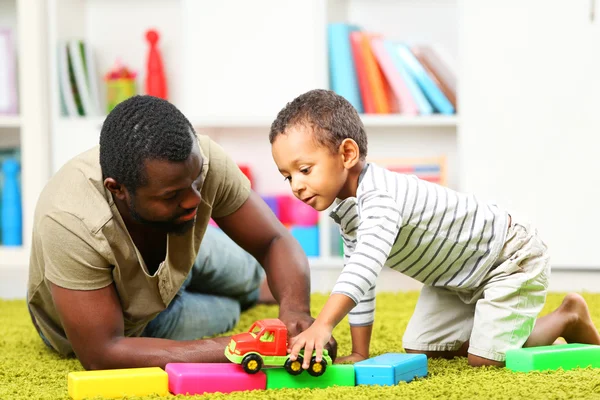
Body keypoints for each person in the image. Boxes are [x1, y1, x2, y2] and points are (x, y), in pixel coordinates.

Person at [269, 89, 600, 368]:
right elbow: (363, 283)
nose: (296, 186)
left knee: (485, 360)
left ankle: (566, 316)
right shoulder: (348, 211)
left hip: (507, 257)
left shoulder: (380, 197)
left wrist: (324, 324)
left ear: (347, 154)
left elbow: (363, 268)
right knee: (422, 349)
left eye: (305, 169)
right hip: (453, 279)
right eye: (288, 176)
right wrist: (360, 351)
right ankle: (490, 321)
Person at [27, 95, 336, 370]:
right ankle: (248, 296)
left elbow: (273, 240)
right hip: (130, 325)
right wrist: (249, 345)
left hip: (178, 246)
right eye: (171, 195)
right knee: (228, 312)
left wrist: (295, 312)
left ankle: (254, 289)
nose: (194, 201)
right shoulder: (69, 220)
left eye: (197, 181)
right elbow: (103, 352)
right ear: (118, 190)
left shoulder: (198, 160)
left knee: (250, 274)